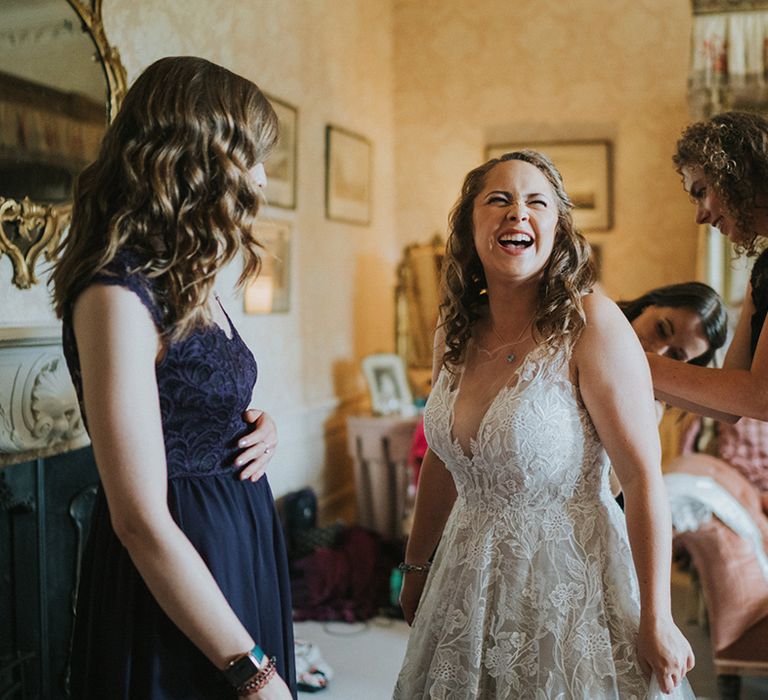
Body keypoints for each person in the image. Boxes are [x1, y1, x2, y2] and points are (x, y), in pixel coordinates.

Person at [393, 150, 695, 698]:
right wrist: (417, 566)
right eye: (499, 200)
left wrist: (659, 616)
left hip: (569, 588)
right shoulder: (453, 331)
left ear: (557, 228)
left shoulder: (592, 325)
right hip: (464, 575)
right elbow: (444, 458)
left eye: (537, 202)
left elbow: (646, 479)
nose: (517, 214)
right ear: (470, 223)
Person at [50, 56, 295, 699]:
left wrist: (256, 424)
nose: (262, 177)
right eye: (251, 155)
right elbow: (138, 520)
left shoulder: (188, 277)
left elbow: (190, 401)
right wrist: (253, 673)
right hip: (175, 568)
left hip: (236, 545)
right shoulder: (116, 294)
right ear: (195, 155)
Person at [648, 111, 768, 423]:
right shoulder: (762, 274)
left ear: (736, 172)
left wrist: (629, 359)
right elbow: (729, 407)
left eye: (702, 192)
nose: (700, 216)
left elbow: (762, 396)